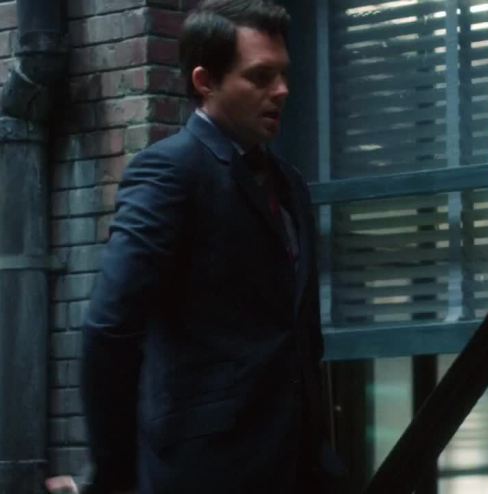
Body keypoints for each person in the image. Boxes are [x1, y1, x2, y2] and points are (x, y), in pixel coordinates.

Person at [81, 1, 339, 493]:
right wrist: (114, 475)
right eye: (260, 76)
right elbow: (110, 327)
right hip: (206, 470)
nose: (281, 90)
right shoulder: (169, 172)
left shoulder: (289, 183)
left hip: (295, 467)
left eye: (283, 74)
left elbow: (298, 331)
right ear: (205, 81)